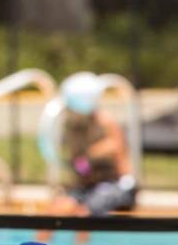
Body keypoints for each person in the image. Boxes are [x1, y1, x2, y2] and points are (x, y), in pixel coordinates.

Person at [51, 72, 137, 218]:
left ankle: (81, 241)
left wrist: (93, 153)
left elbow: (119, 153)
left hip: (113, 184)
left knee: (85, 211)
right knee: (57, 208)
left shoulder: (105, 121)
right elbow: (79, 164)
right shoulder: (73, 125)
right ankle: (38, 242)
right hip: (88, 184)